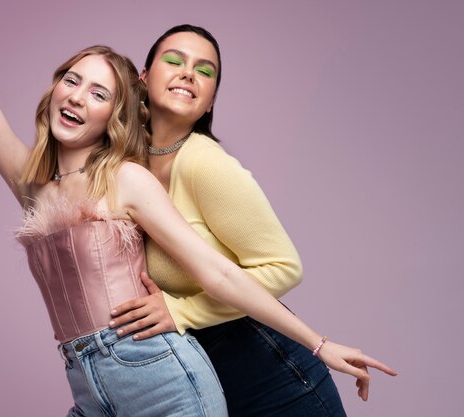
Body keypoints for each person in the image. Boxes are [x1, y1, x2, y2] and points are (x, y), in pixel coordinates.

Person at [0, 2, 395, 415]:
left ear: (115, 113)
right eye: (72, 80)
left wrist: (320, 343)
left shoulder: (129, 179)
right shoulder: (33, 184)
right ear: (54, 90)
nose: (78, 97)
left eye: (99, 93)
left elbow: (221, 274)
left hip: (165, 377)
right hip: (90, 385)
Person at [110, 24, 395, 416]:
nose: (188, 73)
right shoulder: (128, 166)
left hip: (277, 382)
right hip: (207, 383)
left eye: (205, 71)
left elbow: (284, 268)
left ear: (210, 101)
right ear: (143, 79)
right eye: (174, 60)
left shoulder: (204, 164)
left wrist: (183, 310)